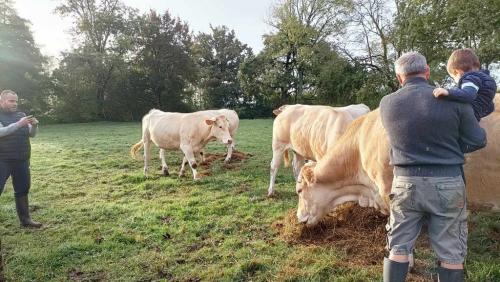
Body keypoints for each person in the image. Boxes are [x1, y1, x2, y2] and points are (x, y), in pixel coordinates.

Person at [379, 52, 487, 282]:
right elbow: (478, 140)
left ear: (400, 77)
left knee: (398, 246)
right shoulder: (453, 100)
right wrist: (452, 147)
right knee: (451, 250)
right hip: (447, 183)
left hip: (404, 183)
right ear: (427, 72)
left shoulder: (387, 103)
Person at [0, 89, 41, 228]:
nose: (14, 104)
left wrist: (34, 126)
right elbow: (1, 132)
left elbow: (31, 134)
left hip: (22, 159)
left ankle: (26, 220)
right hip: (3, 160)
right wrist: (19, 124)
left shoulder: (21, 115)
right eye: (11, 101)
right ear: (2, 101)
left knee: (22, 189)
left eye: (16, 101)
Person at [433, 48, 497, 121]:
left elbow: (468, 95)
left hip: (468, 116)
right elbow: (490, 107)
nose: (455, 81)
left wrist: (448, 92)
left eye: (453, 77)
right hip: (476, 115)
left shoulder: (471, 79)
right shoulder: (483, 80)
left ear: (457, 72)